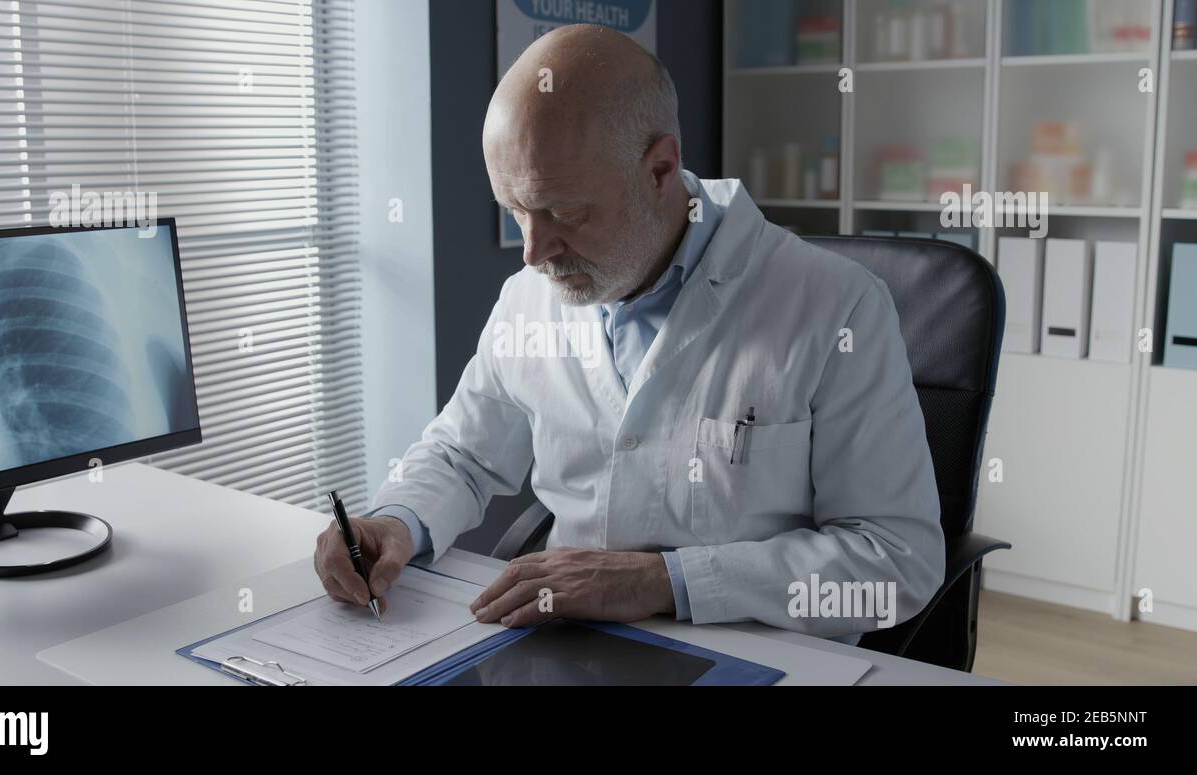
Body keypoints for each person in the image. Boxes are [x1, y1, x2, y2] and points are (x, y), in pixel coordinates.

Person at [314, 24, 943, 640]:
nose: (533, 251)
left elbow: (896, 563)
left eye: (563, 212)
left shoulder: (837, 307)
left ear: (660, 168)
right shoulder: (528, 298)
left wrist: (663, 581)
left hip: (761, 654)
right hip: (569, 644)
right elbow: (463, 456)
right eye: (514, 210)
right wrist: (396, 521)